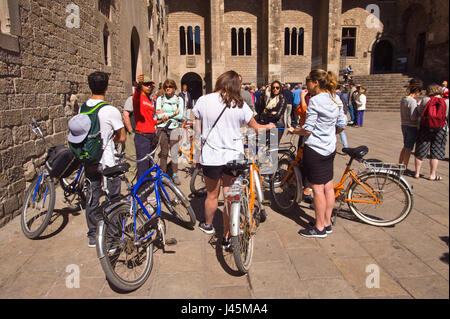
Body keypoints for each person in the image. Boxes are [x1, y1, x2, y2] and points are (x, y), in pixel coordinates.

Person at [193, 70, 275, 249]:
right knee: (229, 195)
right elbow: (256, 128)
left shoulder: (203, 100)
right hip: (233, 157)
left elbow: (197, 131)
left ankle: (207, 224)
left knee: (211, 195)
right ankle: (228, 235)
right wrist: (269, 126)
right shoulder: (240, 104)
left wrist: (197, 154)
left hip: (211, 156)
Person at [68, 71, 126, 248]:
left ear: (90, 86)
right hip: (107, 161)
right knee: (113, 198)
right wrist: (110, 137)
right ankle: (112, 238)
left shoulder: (83, 108)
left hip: (89, 159)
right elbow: (122, 137)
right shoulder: (110, 110)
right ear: (107, 87)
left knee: (93, 195)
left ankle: (93, 235)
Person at [288, 69, 347, 238]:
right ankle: (327, 223)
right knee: (328, 186)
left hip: (314, 149)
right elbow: (342, 123)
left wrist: (293, 131)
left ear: (315, 82)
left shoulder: (315, 101)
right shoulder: (335, 98)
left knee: (317, 189)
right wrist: (329, 133)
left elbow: (307, 130)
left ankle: (319, 227)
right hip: (330, 148)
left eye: (308, 80)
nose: (306, 84)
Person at [414, 84, 449, 181]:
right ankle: (432, 175)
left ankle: (417, 173)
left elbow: (420, 111)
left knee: (420, 150)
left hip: (425, 127)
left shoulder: (425, 100)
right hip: (441, 129)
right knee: (435, 152)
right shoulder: (447, 101)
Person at [155, 79, 185, 185]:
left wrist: (166, 115)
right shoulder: (160, 99)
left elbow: (181, 115)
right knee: (163, 152)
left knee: (174, 152)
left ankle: (175, 174)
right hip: (162, 128)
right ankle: (163, 174)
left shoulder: (179, 100)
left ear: (174, 88)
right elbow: (158, 114)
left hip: (174, 128)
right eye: (166, 86)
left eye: (170, 86)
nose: (168, 88)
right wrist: (173, 114)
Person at [133, 75, 158, 180]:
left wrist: (160, 120)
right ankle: (141, 194)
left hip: (151, 136)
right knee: (143, 167)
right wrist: (139, 85)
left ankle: (145, 192)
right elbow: (136, 97)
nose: (149, 87)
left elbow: (150, 120)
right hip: (142, 136)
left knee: (149, 167)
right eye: (146, 84)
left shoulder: (149, 100)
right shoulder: (138, 98)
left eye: (150, 85)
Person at [398, 79, 423, 172]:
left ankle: (400, 164)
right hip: (411, 126)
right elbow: (413, 117)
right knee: (409, 148)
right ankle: (404, 167)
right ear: (417, 91)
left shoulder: (403, 99)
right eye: (419, 92)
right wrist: (418, 107)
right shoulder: (412, 101)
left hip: (403, 124)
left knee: (405, 146)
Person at [258, 80, 287, 145]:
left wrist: (268, 113)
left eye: (277, 88)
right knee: (266, 146)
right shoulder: (270, 99)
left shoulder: (282, 99)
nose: (275, 89)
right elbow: (263, 113)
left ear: (280, 89)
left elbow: (277, 116)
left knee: (273, 149)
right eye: (273, 88)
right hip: (269, 124)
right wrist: (271, 113)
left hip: (278, 125)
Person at [122, 81, 139, 181]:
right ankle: (131, 182)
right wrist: (130, 130)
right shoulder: (131, 99)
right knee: (132, 158)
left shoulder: (146, 99)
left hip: (141, 133)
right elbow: (125, 114)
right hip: (133, 132)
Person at [336, 85, 350, 150]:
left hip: (335, 114)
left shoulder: (333, 95)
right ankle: (345, 146)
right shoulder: (344, 95)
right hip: (343, 113)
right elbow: (346, 103)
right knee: (341, 132)